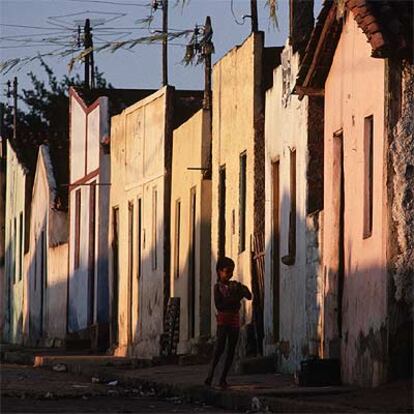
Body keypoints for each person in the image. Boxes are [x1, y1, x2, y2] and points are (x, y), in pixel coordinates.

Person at [204, 257, 252, 388]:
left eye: (231, 272)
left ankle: (223, 378)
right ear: (219, 272)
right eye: (227, 272)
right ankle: (210, 375)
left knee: (231, 350)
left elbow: (249, 295)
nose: (230, 275)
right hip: (223, 321)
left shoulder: (234, 285)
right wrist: (235, 296)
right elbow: (220, 305)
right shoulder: (217, 288)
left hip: (234, 321)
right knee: (219, 349)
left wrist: (240, 289)